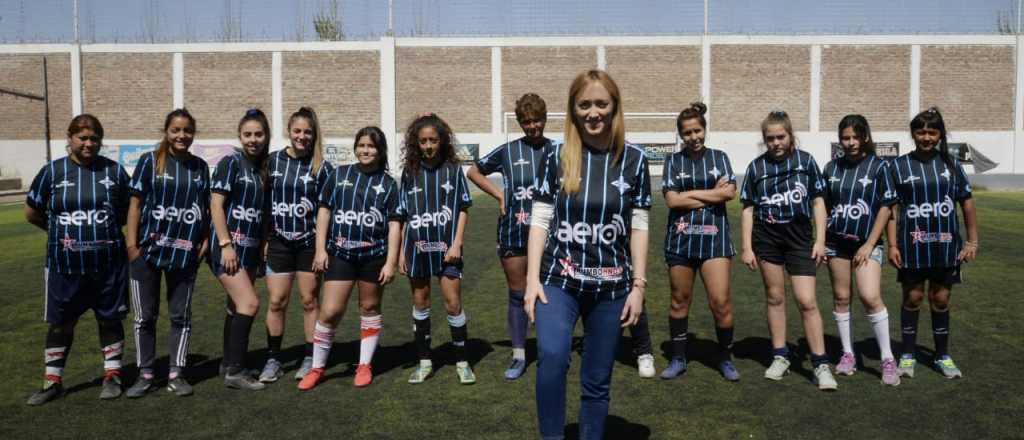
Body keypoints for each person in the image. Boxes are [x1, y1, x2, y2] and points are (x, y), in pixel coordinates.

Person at [524, 69, 650, 440]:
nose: (593, 112)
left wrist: (638, 285)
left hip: (611, 287)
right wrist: (531, 280)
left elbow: (639, 225)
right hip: (557, 281)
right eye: (584, 105)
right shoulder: (556, 156)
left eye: (601, 104)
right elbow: (540, 220)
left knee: (597, 379)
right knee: (552, 358)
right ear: (573, 110)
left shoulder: (635, 160)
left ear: (615, 107)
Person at [24, 115, 131, 405]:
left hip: (108, 265)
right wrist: (59, 233)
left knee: (109, 320)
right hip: (64, 266)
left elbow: (128, 212)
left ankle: (113, 376)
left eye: (94, 138)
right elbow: (32, 212)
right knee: (61, 323)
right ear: (70, 138)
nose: (88, 143)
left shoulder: (115, 172)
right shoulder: (52, 171)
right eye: (82, 137)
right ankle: (52, 382)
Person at [739, 110, 837, 391]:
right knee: (775, 297)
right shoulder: (757, 167)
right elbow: (748, 208)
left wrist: (820, 240)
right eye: (770, 138)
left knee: (806, 300)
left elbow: (818, 202)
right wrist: (747, 247)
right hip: (767, 239)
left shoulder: (806, 162)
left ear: (790, 136)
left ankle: (820, 364)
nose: (776, 143)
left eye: (780, 137)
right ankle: (780, 355)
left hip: (799, 239)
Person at [299, 126, 400, 390]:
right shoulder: (339, 174)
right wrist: (320, 250)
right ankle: (317, 367)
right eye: (361, 145)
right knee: (330, 311)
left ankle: (364, 364)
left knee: (369, 307)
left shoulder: (389, 184)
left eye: (371, 146)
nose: (365, 150)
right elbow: (324, 211)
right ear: (355, 148)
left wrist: (391, 261)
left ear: (380, 150)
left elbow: (394, 225)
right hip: (340, 254)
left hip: (373, 256)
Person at [466, 93, 555, 380]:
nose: (533, 126)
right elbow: (473, 172)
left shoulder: (558, 150)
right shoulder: (507, 151)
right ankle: (519, 355)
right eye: (527, 122)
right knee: (517, 293)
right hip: (513, 231)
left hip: (550, 233)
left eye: (537, 120)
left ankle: (550, 349)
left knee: (550, 294)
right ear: (520, 123)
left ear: (545, 119)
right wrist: (499, 194)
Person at [886, 107, 978, 379]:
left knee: (940, 299)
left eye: (932, 132)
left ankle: (942, 356)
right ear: (913, 134)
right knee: (912, 298)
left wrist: (972, 241)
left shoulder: (952, 165)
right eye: (921, 132)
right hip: (912, 246)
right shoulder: (898, 166)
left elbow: (967, 203)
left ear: (940, 135)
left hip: (945, 246)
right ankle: (907, 355)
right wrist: (892, 245)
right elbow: (891, 209)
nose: (926, 137)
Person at [125, 108, 210, 398]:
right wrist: (132, 246)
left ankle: (177, 373)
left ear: (193, 133)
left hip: (184, 254)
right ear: (166, 131)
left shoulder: (200, 167)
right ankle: (146, 374)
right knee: (144, 318)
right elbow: (135, 205)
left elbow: (205, 209)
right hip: (147, 253)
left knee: (180, 317)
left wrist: (204, 241)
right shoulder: (149, 161)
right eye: (176, 130)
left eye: (187, 130)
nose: (181, 135)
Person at [658, 102, 740, 382]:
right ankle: (678, 358)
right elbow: (672, 201)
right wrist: (710, 193)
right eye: (687, 133)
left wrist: (689, 195)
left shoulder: (720, 157)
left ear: (705, 129)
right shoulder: (673, 161)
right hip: (680, 241)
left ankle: (725, 358)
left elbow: (729, 194)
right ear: (681, 135)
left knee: (721, 303)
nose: (694, 137)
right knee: (679, 301)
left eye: (697, 131)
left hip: (715, 241)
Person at [397, 113, 476, 385]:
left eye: (433, 140)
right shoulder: (409, 172)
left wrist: (457, 242)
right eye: (423, 141)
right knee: (421, 303)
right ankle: (425, 362)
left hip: (447, 249)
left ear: (442, 141)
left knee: (453, 304)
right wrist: (401, 251)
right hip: (416, 247)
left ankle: (463, 362)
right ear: (416, 143)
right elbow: (404, 215)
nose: (428, 146)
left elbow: (463, 207)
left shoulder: (453, 170)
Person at [822, 114, 900, 386]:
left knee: (869, 296)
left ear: (865, 137)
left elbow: (887, 207)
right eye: (846, 138)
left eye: (856, 137)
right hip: (836, 243)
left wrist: (869, 244)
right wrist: (821, 241)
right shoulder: (831, 168)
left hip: (866, 243)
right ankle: (848, 354)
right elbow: (823, 207)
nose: (851, 142)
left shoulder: (879, 167)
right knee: (842, 297)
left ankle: (888, 358)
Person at [260, 107, 333, 383]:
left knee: (309, 301)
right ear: (289, 131)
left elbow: (327, 210)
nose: (302, 136)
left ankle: (310, 358)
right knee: (276, 301)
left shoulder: (322, 167)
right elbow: (263, 204)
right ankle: (273, 359)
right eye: (297, 131)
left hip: (308, 245)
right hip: (279, 242)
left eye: (307, 132)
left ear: (314, 134)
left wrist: (322, 248)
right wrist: (265, 239)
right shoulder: (272, 162)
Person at [209, 109, 272, 390]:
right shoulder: (231, 162)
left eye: (258, 134)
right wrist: (225, 245)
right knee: (250, 303)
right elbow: (215, 205)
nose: (253, 139)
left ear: (266, 136)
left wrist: (260, 249)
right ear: (239, 136)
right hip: (228, 249)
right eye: (247, 134)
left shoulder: (263, 168)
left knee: (235, 306)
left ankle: (228, 362)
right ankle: (236, 371)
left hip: (249, 250)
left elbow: (262, 215)